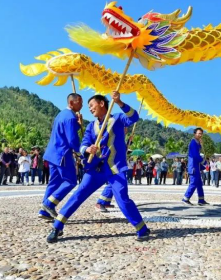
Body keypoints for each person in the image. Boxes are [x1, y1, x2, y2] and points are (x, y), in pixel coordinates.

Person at [47, 92, 150, 243]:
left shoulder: (117, 119)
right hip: (96, 169)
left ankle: (142, 228)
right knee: (79, 194)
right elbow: (83, 144)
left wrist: (120, 102)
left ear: (102, 104)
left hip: (115, 168)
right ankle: (57, 226)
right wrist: (87, 150)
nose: (89, 109)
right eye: (88, 106)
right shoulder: (91, 126)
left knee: (123, 199)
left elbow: (134, 117)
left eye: (91, 105)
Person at [39, 93, 84, 221]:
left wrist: (78, 124)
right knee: (70, 181)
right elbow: (72, 140)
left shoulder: (62, 114)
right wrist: (80, 153)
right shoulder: (70, 117)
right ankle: (49, 204)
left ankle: (44, 211)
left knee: (54, 183)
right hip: (62, 153)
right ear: (71, 103)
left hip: (52, 153)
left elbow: (64, 130)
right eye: (79, 102)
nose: (81, 105)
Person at [182, 128, 208, 206]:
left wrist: (200, 144)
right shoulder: (193, 143)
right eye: (199, 133)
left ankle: (201, 199)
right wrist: (204, 161)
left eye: (201, 134)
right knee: (193, 183)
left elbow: (198, 151)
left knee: (199, 183)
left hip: (197, 166)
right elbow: (195, 155)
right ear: (194, 134)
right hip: (193, 166)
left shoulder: (197, 143)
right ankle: (186, 198)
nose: (200, 135)